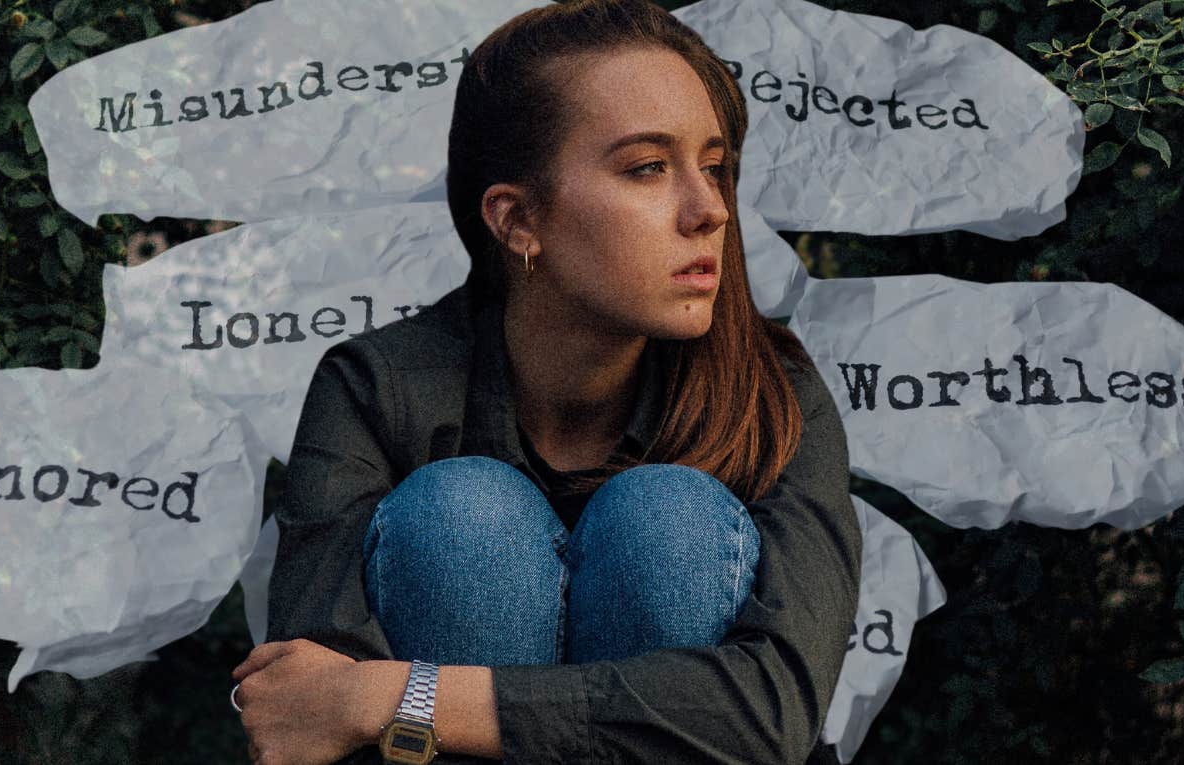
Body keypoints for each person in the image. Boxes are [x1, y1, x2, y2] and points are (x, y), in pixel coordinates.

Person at [230, 1, 861, 763]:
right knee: (464, 516)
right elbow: (307, 710)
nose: (710, 210)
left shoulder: (771, 392)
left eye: (714, 166)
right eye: (647, 168)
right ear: (517, 219)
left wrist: (401, 695)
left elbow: (770, 711)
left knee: (669, 519)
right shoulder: (377, 387)